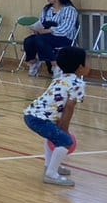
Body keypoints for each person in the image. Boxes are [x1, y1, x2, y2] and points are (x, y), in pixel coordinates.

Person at [24, 46, 88, 187]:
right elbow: (69, 108)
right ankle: (51, 175)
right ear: (80, 67)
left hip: (31, 115)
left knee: (52, 137)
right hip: (40, 119)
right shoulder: (78, 83)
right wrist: (64, 129)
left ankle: (50, 166)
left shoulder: (59, 78)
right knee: (65, 141)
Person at [24, 0, 80, 78]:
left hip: (64, 38)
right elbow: (41, 22)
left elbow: (66, 29)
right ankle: (33, 63)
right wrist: (36, 29)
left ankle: (56, 64)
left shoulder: (70, 10)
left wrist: (47, 31)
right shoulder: (47, 9)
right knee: (29, 41)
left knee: (40, 40)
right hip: (47, 36)